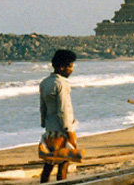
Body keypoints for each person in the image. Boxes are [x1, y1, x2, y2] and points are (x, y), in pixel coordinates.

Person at [38, 49, 81, 182]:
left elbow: (42, 108)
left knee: (49, 163)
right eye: (70, 66)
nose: (71, 70)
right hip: (62, 130)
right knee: (64, 163)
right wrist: (69, 131)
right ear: (61, 67)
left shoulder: (45, 83)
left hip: (50, 130)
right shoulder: (61, 84)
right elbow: (64, 110)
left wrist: (44, 124)